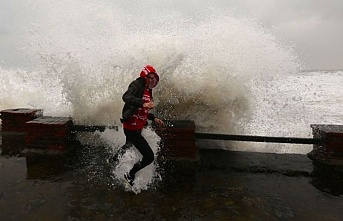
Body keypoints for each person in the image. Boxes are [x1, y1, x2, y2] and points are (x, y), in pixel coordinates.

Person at [118, 65, 164, 186]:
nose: (150, 80)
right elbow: (126, 97)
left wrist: (153, 118)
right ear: (144, 77)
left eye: (152, 78)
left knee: (128, 145)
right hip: (131, 128)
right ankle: (130, 174)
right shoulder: (136, 85)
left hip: (137, 127)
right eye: (148, 78)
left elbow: (143, 110)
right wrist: (142, 103)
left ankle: (112, 159)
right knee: (149, 157)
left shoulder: (148, 90)